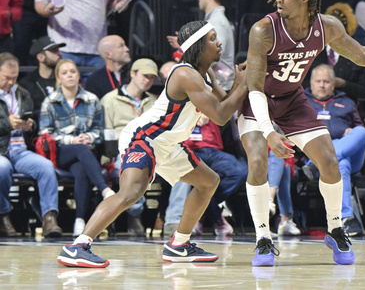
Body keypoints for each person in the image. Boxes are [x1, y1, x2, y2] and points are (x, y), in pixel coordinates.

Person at [239, 0, 365, 266]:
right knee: (258, 161)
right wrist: (269, 131)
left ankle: (336, 229)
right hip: (258, 101)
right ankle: (263, 238)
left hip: (292, 100)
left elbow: (362, 55)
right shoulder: (263, 30)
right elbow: (253, 88)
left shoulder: (326, 27)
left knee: (329, 160)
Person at [56, 20, 248, 268]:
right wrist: (243, 85)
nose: (219, 42)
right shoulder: (185, 74)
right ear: (198, 45)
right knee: (130, 193)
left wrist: (241, 85)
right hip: (145, 137)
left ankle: (179, 245)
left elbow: (227, 104)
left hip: (167, 143)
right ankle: (78, 247)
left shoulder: (205, 73)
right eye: (212, 38)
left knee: (208, 181)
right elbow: (220, 115)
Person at [39, 59, 115, 237]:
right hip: (60, 151)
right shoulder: (50, 101)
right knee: (81, 150)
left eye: (72, 71)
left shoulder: (91, 99)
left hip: (85, 153)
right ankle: (105, 189)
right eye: (64, 73)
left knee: (81, 169)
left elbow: (98, 130)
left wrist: (89, 137)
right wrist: (71, 140)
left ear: (79, 75)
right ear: (59, 77)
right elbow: (45, 133)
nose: (69, 75)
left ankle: (79, 220)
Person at [0, 52, 62, 238]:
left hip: (20, 149)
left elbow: (34, 124)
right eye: (6, 78)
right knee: (2, 168)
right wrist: (6, 124)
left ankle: (49, 218)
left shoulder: (23, 93)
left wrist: (30, 126)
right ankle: (3, 214)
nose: (11, 82)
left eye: (15, 77)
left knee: (46, 166)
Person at [304, 64, 365, 237]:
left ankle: (318, 164)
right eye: (318, 81)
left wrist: (351, 133)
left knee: (361, 132)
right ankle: (346, 219)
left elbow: (359, 130)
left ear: (334, 84)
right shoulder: (302, 102)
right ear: (311, 83)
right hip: (315, 152)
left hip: (345, 152)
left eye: (326, 81)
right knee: (342, 164)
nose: (322, 85)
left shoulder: (346, 102)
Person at [101, 58, 159, 236]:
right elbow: (107, 132)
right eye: (144, 75)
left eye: (151, 77)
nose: (148, 80)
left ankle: (173, 220)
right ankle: (134, 215)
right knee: (135, 166)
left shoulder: (154, 102)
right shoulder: (110, 99)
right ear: (132, 73)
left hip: (152, 148)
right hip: (121, 148)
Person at [164, 114, 247, 237]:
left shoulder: (209, 98)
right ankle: (174, 220)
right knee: (183, 168)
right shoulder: (179, 99)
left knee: (240, 171)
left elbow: (223, 111)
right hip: (186, 148)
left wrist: (207, 111)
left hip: (213, 150)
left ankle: (201, 206)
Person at [167, 0, 235, 91]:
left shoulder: (217, 22)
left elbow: (214, 54)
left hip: (220, 88)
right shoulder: (214, 21)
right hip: (216, 87)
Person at [303, 2, 365, 103]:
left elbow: (364, 91)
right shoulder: (313, 51)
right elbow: (300, 83)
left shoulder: (356, 55)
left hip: (345, 107)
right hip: (314, 106)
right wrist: (319, 83)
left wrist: (344, 84)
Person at [267, 124, 300, 236]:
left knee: (280, 154)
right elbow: (239, 138)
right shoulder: (244, 111)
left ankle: (269, 201)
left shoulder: (276, 109)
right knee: (279, 156)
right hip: (254, 154)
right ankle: (285, 219)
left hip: (275, 153)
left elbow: (285, 137)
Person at [18, 36, 66, 112]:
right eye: (54, 51)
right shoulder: (27, 84)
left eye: (58, 50)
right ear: (41, 57)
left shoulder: (65, 79)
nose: (60, 53)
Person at [85, 35, 131, 99]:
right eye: (121, 46)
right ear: (108, 54)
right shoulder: (95, 80)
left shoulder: (133, 75)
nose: (127, 49)